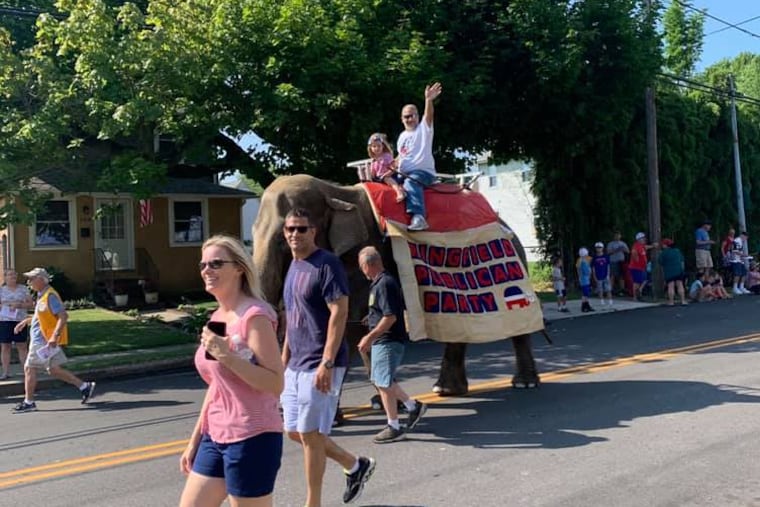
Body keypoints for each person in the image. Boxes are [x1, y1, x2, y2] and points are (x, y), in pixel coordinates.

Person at [179, 235, 284, 507]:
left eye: (215, 263)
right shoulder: (217, 318)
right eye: (203, 265)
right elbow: (216, 384)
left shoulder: (255, 316)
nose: (206, 270)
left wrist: (227, 356)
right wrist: (195, 440)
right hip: (215, 435)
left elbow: (275, 383)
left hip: (252, 436)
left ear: (238, 268)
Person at [280, 208, 375, 506]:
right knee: (294, 432)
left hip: (320, 362)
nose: (295, 234)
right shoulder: (294, 266)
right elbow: (293, 318)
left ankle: (313, 502)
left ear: (314, 231)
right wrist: (282, 360)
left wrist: (327, 361)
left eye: (301, 229)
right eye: (290, 229)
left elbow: (340, 312)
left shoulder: (327, 264)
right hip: (295, 363)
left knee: (309, 434)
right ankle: (355, 464)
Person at [357, 246, 426, 444]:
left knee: (383, 383)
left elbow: (390, 317)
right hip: (383, 340)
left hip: (386, 341)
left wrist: (369, 337)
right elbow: (383, 312)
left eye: (362, 267)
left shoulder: (384, 284)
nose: (362, 271)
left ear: (368, 265)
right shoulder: (380, 283)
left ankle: (394, 426)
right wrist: (371, 318)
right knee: (383, 380)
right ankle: (413, 407)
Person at [11, 268, 95, 413]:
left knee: (29, 368)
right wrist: (26, 321)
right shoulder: (41, 295)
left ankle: (29, 402)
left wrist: (54, 336)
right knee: (53, 370)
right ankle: (84, 386)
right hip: (44, 340)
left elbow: (63, 316)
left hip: (44, 341)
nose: (29, 281)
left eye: (32, 278)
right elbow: (43, 316)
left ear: (41, 280)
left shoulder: (50, 295)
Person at [396, 82, 443, 231]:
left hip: (422, 174)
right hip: (402, 173)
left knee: (411, 183)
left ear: (417, 116)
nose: (409, 119)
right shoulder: (402, 136)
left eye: (412, 116)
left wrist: (428, 100)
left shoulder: (424, 129)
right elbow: (401, 156)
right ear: (401, 119)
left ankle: (419, 217)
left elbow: (428, 117)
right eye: (406, 117)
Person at [0, 269, 33, 380]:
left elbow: (30, 304)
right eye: (10, 275)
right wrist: (7, 305)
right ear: (5, 277)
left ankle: (26, 371)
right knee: (5, 346)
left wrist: (19, 305)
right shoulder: (1, 290)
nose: (13, 276)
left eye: (14, 274)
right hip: (5, 321)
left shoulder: (23, 289)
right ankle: (5, 372)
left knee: (22, 346)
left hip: (20, 320)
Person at [365, 133, 406, 202]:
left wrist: (387, 173)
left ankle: (399, 192)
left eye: (379, 146)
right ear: (370, 148)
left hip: (390, 175)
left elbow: (393, 167)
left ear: (383, 146)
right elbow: (373, 174)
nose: (376, 148)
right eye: (374, 146)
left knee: (387, 179)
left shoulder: (386, 156)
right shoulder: (373, 161)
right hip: (380, 178)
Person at [658, 238, 687, 306]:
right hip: (679, 270)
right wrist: (682, 270)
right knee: (680, 285)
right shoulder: (677, 251)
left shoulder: (664, 253)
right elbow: (682, 261)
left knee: (671, 286)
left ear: (666, 245)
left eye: (663, 244)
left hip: (669, 272)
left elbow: (660, 262)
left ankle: (671, 302)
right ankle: (683, 300)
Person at [629, 232, 655, 300]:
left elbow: (646, 247)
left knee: (645, 279)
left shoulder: (642, 246)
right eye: (643, 238)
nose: (644, 239)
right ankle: (635, 296)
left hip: (642, 267)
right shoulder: (636, 245)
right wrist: (637, 261)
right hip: (636, 267)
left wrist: (653, 246)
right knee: (636, 282)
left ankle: (639, 291)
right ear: (639, 239)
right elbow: (634, 252)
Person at [606, 231, 630, 296]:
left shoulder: (623, 243)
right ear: (614, 236)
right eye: (616, 235)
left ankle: (622, 290)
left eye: (618, 235)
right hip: (613, 261)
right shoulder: (610, 244)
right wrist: (617, 249)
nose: (617, 236)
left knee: (621, 276)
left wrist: (623, 249)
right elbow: (608, 252)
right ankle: (610, 290)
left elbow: (628, 251)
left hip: (621, 262)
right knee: (612, 275)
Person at [591, 242, 613, 307]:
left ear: (602, 248)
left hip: (605, 274)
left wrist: (608, 274)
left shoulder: (606, 256)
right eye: (597, 248)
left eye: (600, 247)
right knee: (600, 289)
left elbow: (608, 266)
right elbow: (593, 268)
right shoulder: (594, 257)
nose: (598, 249)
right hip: (598, 275)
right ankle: (601, 301)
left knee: (608, 289)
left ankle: (610, 300)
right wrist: (594, 275)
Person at [577, 247, 594, 313]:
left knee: (586, 293)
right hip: (584, 279)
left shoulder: (580, 261)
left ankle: (587, 305)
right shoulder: (583, 262)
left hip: (584, 279)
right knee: (585, 293)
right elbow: (586, 271)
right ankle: (584, 306)